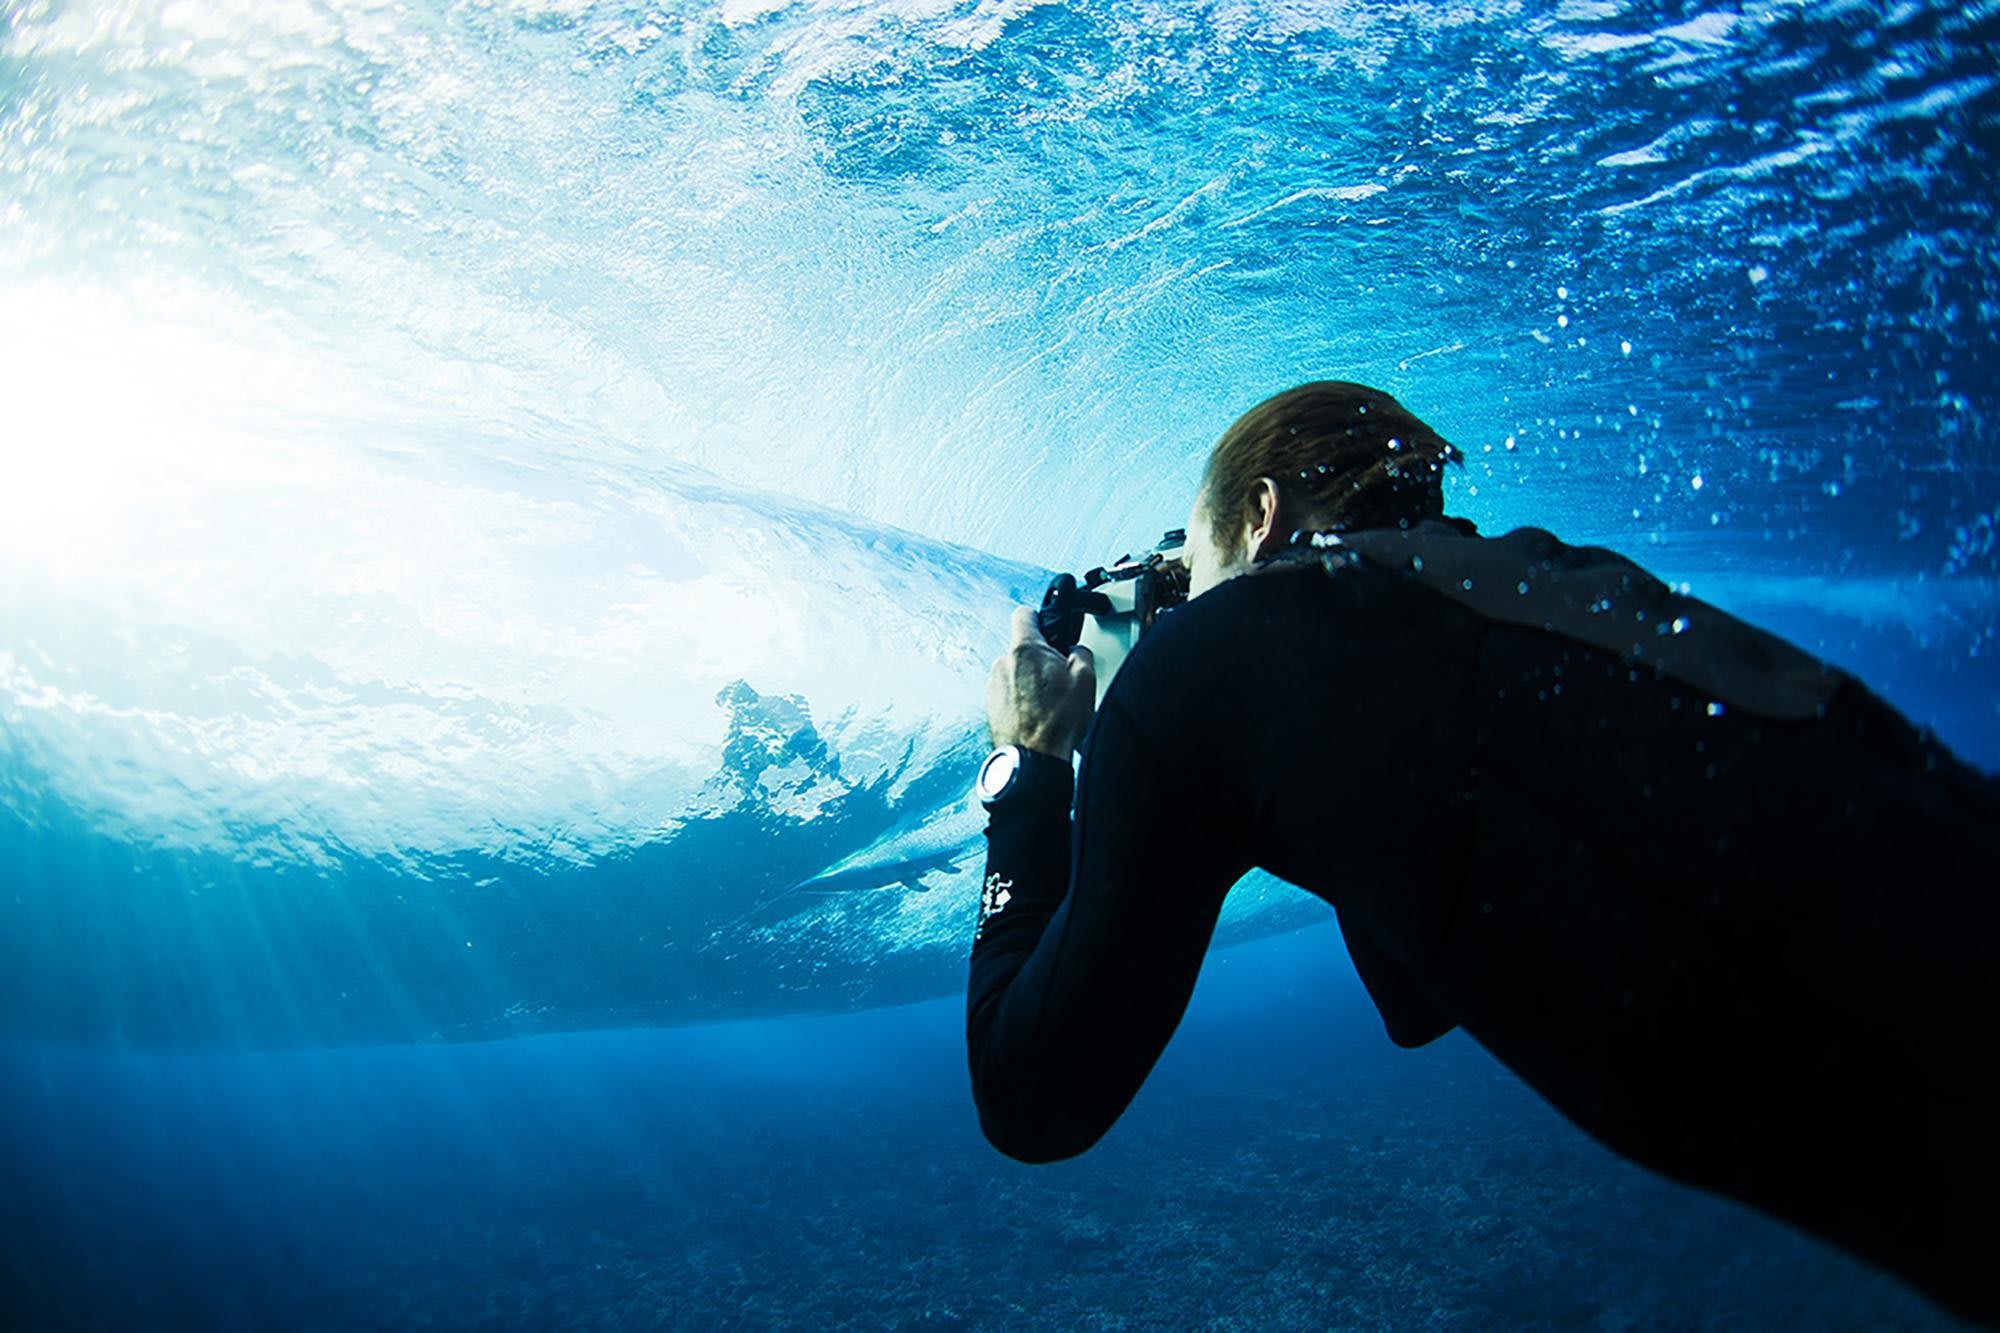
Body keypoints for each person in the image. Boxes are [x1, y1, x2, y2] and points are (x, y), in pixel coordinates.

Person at [965, 381, 1998, 1323]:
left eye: (1199, 550)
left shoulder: (1210, 662)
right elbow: (1417, 993)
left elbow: (1030, 1098)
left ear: (1261, 514)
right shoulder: (1522, 577)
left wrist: (1033, 763)